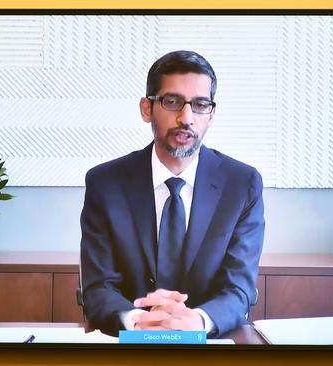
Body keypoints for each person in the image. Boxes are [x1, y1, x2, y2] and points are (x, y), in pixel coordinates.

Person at [80, 50, 264, 338]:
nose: (186, 118)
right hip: (127, 342)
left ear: (211, 114)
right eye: (172, 101)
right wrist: (140, 321)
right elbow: (98, 286)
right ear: (146, 108)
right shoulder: (105, 183)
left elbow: (238, 288)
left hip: (208, 344)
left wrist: (197, 321)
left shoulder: (241, 184)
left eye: (200, 104)